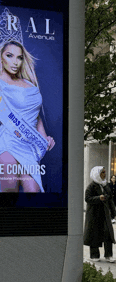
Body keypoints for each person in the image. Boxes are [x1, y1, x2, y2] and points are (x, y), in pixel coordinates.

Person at [0, 40, 55, 193]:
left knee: (33, 192)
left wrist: (44, 138)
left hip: (29, 146)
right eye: (9, 55)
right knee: (9, 188)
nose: (15, 62)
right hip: (7, 140)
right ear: (1, 56)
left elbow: (36, 115)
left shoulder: (30, 84)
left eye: (19, 57)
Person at [84, 166, 116, 263]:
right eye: (102, 172)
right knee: (94, 234)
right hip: (94, 214)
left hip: (104, 215)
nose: (104, 174)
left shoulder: (105, 185)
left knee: (108, 234)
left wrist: (113, 212)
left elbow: (110, 199)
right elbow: (87, 198)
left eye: (105, 172)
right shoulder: (91, 186)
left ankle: (109, 255)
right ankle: (94, 255)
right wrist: (98, 198)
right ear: (97, 174)